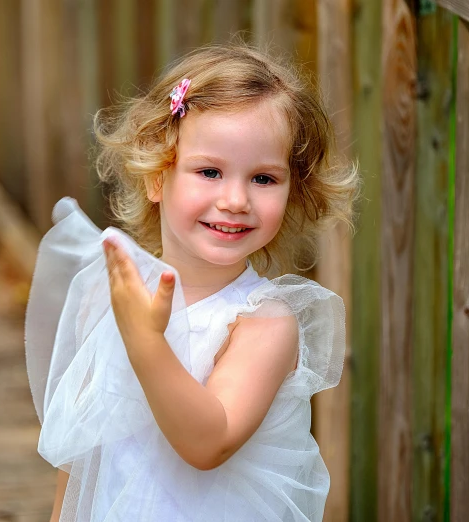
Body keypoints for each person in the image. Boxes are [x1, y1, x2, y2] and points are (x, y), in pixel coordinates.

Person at [25, 42, 360, 522]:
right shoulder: (113, 295)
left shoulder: (264, 324)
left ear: (294, 190)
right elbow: (83, 455)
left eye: (264, 179)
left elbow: (208, 443)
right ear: (158, 177)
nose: (235, 199)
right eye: (209, 171)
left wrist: (146, 343)